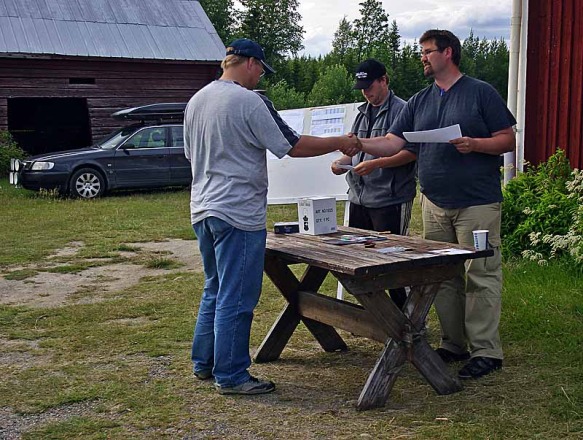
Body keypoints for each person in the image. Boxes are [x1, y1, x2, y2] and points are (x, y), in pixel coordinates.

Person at [183, 38, 360, 396]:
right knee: (237, 295)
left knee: (214, 287)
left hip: (203, 208)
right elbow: (292, 146)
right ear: (250, 63)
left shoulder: (197, 100)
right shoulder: (248, 101)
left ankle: (205, 361)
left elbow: (190, 154)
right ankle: (231, 375)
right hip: (238, 212)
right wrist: (339, 142)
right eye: (261, 70)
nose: (260, 77)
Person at [356, 29, 516, 379]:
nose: (423, 58)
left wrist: (475, 144)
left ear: (448, 53)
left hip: (477, 203)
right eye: (422, 52)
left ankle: (486, 351)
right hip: (434, 203)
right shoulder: (419, 101)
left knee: (481, 274)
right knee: (441, 276)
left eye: (428, 51)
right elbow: (393, 142)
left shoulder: (480, 92)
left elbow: (507, 140)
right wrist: (359, 144)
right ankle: (453, 343)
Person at [331, 59, 417, 309]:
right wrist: (341, 162)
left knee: (393, 260)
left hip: (390, 199)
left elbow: (411, 153)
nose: (365, 92)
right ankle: (375, 314)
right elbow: (354, 151)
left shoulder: (403, 110)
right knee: (361, 259)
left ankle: (407, 316)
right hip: (359, 198)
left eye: (369, 86)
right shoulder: (361, 113)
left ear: (384, 80)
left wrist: (376, 164)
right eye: (361, 88)